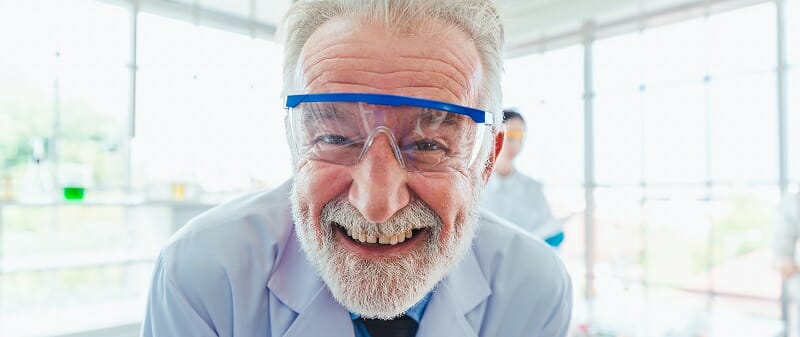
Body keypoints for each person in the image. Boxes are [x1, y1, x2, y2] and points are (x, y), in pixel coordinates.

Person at [141, 1, 572, 336]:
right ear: (296, 145)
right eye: (333, 138)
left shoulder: (532, 290)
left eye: (428, 145)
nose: (376, 205)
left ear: (486, 160)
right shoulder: (203, 276)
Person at [482, 109, 564, 247]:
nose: (516, 143)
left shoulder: (532, 187)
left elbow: (550, 230)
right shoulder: (476, 184)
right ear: (495, 135)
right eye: (511, 136)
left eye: (520, 136)